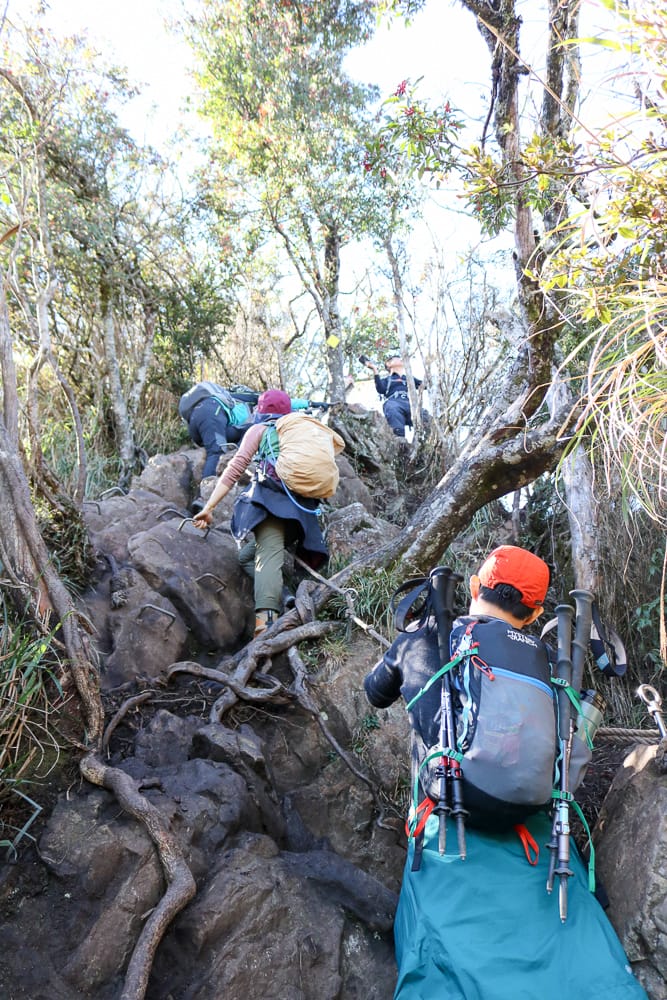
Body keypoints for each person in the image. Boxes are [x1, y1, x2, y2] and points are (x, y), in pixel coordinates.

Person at [363, 546, 648, 1000]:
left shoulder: (428, 636)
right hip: (535, 826)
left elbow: (374, 694)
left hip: (449, 822)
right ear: (535, 612)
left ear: (475, 586)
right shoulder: (553, 661)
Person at [191, 389, 328, 636]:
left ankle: (266, 625)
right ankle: (284, 595)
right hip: (304, 512)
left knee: (267, 559)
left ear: (261, 411)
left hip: (273, 503)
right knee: (247, 557)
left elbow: (235, 469)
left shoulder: (260, 430)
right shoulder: (297, 431)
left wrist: (208, 508)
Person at [362, 352, 422, 438]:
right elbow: (381, 389)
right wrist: (375, 370)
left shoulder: (409, 378)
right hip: (394, 402)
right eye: (396, 358)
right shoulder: (387, 379)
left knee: (423, 415)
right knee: (392, 409)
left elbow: (424, 385)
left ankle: (426, 442)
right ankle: (400, 440)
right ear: (389, 364)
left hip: (410, 404)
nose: (400, 359)